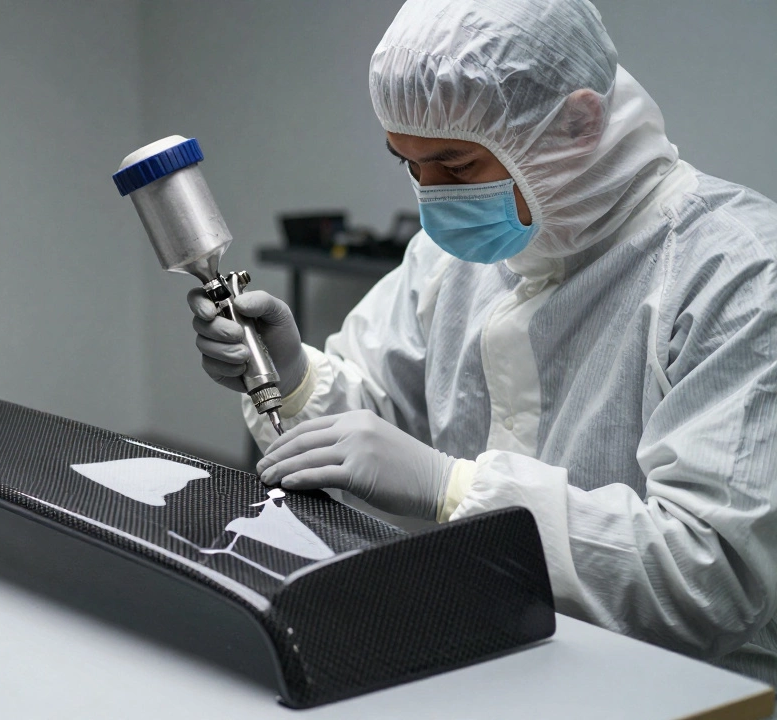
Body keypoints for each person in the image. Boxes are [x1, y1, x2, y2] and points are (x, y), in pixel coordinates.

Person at [188, 0, 777, 689]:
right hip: (484, 650)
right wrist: (289, 376)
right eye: (410, 166)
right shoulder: (452, 258)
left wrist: (457, 488)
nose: (434, 200)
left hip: (690, 687)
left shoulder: (739, 272)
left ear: (577, 124)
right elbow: (371, 415)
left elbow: (711, 576)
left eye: (457, 168)